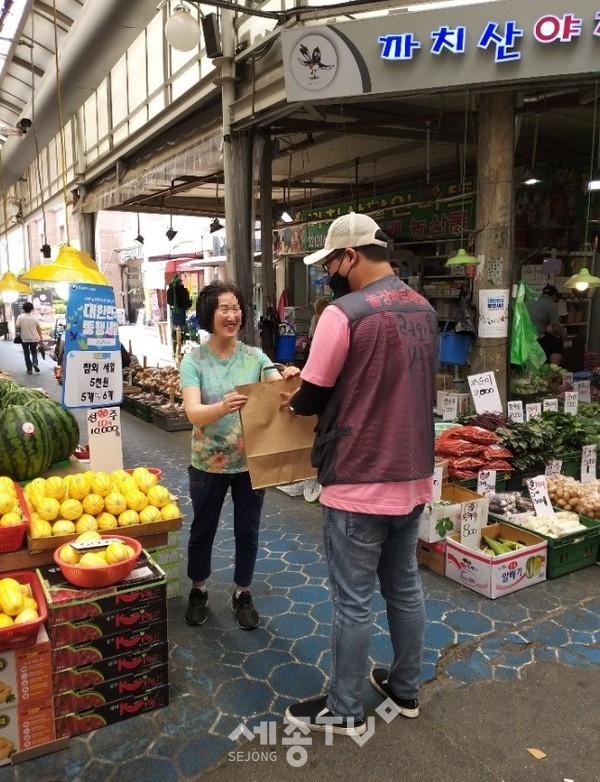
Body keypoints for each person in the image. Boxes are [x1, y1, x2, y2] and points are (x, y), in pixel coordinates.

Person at [280, 213, 437, 736]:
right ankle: (406, 688)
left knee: (352, 600)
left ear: (351, 257)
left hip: (358, 479)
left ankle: (345, 710)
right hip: (413, 474)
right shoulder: (425, 308)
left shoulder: (343, 314)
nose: (329, 272)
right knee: (404, 588)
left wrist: (291, 395)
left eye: (330, 263)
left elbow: (313, 395)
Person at [180, 280, 300, 631]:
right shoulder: (194, 361)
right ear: (208, 315)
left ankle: (242, 592)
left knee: (248, 530)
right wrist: (221, 407)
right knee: (203, 529)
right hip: (208, 462)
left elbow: (276, 385)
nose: (232, 315)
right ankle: (199, 589)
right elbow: (193, 413)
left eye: (236, 308)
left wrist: (288, 376)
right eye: (223, 309)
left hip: (251, 462)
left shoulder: (255, 356)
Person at [525, 284, 566, 366]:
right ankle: (553, 370)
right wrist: (564, 335)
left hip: (524, 336)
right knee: (558, 343)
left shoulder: (530, 300)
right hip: (536, 338)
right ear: (554, 295)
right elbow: (556, 328)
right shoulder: (551, 305)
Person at [15, 301, 42, 374]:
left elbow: (17, 327)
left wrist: (21, 330)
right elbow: (38, 328)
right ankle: (35, 363)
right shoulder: (35, 318)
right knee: (34, 352)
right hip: (34, 338)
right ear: (32, 309)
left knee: (26, 353)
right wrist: (41, 338)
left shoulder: (20, 317)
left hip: (24, 338)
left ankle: (29, 369)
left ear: (23, 309)